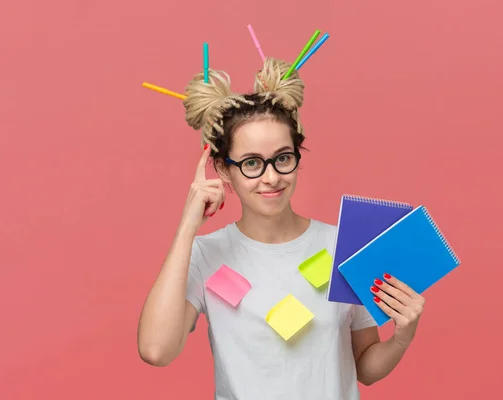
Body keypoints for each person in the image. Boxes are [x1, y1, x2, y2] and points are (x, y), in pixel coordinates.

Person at [137, 57, 426, 399]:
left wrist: (402, 337)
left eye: (283, 158)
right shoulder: (205, 255)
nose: (271, 177)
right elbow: (156, 350)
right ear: (224, 170)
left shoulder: (341, 246)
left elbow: (365, 366)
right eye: (252, 163)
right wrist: (188, 226)